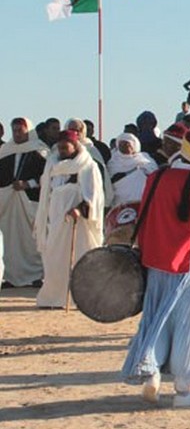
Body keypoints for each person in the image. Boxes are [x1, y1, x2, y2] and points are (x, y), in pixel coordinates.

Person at [121, 128, 190, 407]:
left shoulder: (155, 177)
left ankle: (152, 375)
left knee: (156, 320)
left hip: (155, 263)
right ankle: (183, 391)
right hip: (188, 266)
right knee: (186, 327)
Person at [34, 130, 105, 309]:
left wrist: (80, 209)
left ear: (75, 146)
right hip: (57, 220)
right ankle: (54, 298)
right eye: (60, 147)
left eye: (66, 147)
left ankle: (80, 298)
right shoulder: (52, 165)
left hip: (78, 223)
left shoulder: (87, 166)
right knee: (54, 258)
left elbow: (94, 195)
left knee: (79, 258)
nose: (62, 150)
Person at [0, 117, 48, 286]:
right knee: (10, 241)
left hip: (30, 203)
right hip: (9, 205)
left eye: (21, 130)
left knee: (31, 240)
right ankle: (11, 277)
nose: (17, 134)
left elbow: (47, 177)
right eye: (15, 131)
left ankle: (35, 276)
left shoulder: (40, 151)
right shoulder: (5, 151)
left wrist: (28, 184)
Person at [108, 133, 158, 207]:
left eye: (127, 144)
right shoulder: (113, 162)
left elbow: (154, 175)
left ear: (134, 146)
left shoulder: (145, 159)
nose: (124, 146)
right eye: (121, 144)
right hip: (120, 202)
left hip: (141, 201)